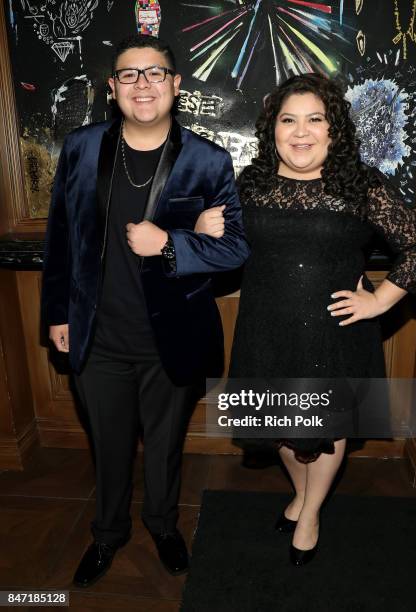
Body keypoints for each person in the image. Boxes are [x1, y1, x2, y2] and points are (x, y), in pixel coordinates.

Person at [41, 34, 249, 586]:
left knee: (163, 448)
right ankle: (107, 537)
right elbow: (61, 238)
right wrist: (57, 315)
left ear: (176, 85)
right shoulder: (82, 148)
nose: (143, 85)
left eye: (155, 73)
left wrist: (172, 244)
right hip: (96, 335)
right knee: (108, 450)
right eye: (129, 75)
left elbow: (234, 249)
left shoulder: (208, 160)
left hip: (172, 337)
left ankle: (162, 526)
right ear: (112, 88)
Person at [222, 74, 416, 566]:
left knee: (325, 427)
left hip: (334, 330)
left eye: (315, 120)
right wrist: (200, 227)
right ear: (271, 129)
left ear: (334, 130)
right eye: (288, 120)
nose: (301, 132)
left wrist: (381, 300)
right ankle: (300, 495)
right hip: (266, 328)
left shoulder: (360, 184)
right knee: (278, 424)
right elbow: (219, 247)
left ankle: (311, 513)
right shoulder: (249, 184)